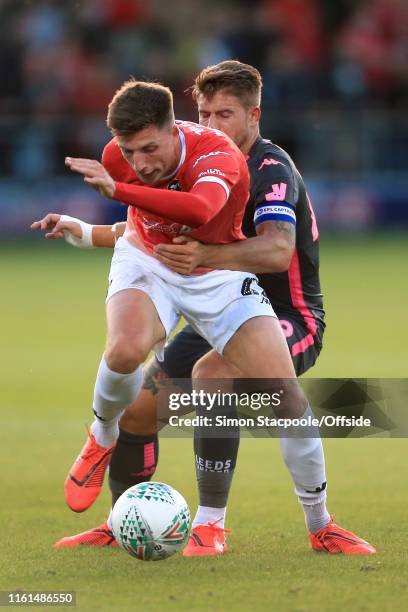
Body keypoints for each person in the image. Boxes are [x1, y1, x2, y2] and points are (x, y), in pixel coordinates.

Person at [32, 64, 375, 556]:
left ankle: (229, 524)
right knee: (142, 407)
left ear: (253, 116)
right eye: (205, 113)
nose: (213, 125)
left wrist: (207, 256)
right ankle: (120, 519)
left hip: (286, 311)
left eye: (226, 114)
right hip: (196, 282)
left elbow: (276, 252)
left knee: (217, 376)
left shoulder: (267, 169)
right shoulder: (153, 153)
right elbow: (153, 229)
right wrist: (88, 233)